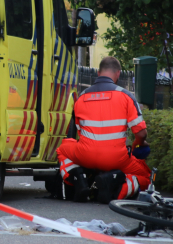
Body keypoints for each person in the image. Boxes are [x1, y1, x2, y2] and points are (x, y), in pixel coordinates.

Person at [56, 56, 151, 201]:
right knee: (146, 176)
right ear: (118, 73)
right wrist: (139, 144)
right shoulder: (126, 96)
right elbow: (141, 133)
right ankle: (118, 189)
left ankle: (77, 178)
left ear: (98, 73)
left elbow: (78, 132)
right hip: (116, 159)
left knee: (62, 149)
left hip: (85, 156)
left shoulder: (81, 97)